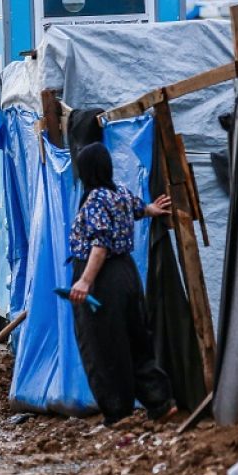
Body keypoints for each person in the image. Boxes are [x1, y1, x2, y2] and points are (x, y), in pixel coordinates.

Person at [68, 142, 176, 426]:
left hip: (103, 279)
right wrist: (154, 209)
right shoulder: (119, 194)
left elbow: (100, 244)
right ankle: (160, 402)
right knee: (136, 339)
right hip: (127, 275)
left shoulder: (94, 200)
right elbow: (139, 208)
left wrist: (84, 281)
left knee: (104, 347)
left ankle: (118, 413)